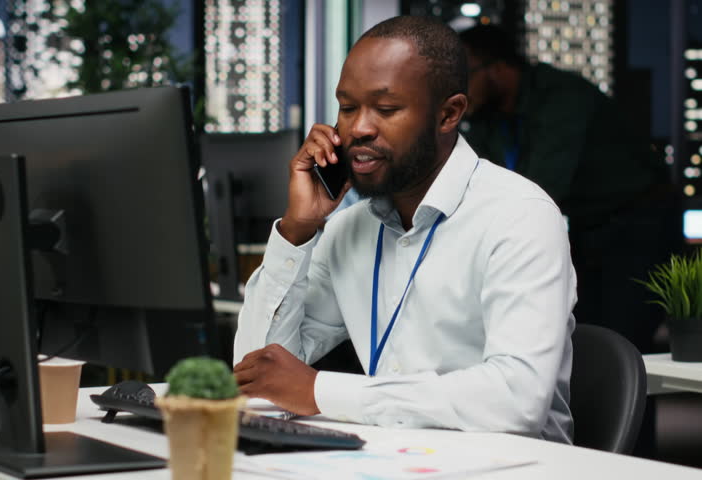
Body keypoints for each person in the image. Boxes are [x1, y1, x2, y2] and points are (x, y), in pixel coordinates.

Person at [233, 16, 576, 444]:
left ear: (448, 114)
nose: (358, 128)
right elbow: (258, 371)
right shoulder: (349, 228)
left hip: (507, 467)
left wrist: (318, 390)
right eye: (347, 107)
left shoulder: (518, 215)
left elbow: (516, 400)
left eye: (386, 109)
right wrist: (298, 230)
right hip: (391, 458)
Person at [458, 24, 679, 355]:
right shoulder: (488, 118)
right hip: (589, 228)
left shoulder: (562, 96)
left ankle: (628, 407)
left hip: (640, 225)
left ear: (498, 68)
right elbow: (474, 182)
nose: (458, 88)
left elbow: (542, 187)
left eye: (465, 75)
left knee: (624, 344)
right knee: (581, 339)